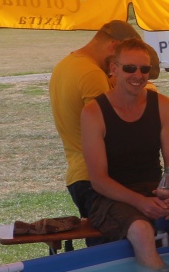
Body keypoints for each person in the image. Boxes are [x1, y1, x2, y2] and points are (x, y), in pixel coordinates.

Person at [79, 39, 169, 270]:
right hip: (111, 197)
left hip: (153, 189)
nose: (138, 75)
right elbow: (99, 180)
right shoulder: (93, 112)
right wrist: (140, 202)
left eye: (144, 69)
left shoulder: (162, 105)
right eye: (130, 68)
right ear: (114, 69)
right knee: (142, 230)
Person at [50, 19, 140, 216]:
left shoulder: (65, 65)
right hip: (96, 178)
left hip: (78, 174)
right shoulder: (92, 74)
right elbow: (112, 131)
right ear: (114, 46)